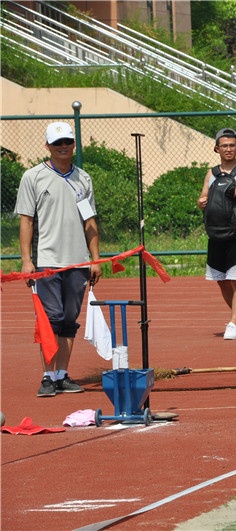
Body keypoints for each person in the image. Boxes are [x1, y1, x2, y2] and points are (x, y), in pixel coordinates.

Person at [15, 121, 103, 397]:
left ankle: (62, 375)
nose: (63, 147)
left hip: (78, 262)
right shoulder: (33, 177)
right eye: (57, 143)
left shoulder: (83, 179)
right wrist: (26, 260)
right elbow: (26, 221)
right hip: (47, 262)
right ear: (48, 146)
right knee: (51, 319)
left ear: (73, 144)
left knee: (69, 320)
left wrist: (95, 258)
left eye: (67, 142)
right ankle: (48, 376)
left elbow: (89, 222)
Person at [197, 128, 236, 340]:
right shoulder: (211, 173)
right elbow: (204, 195)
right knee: (221, 280)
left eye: (232, 145)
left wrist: (229, 192)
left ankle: (232, 324)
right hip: (216, 233)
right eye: (224, 146)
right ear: (217, 149)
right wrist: (201, 202)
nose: (229, 149)